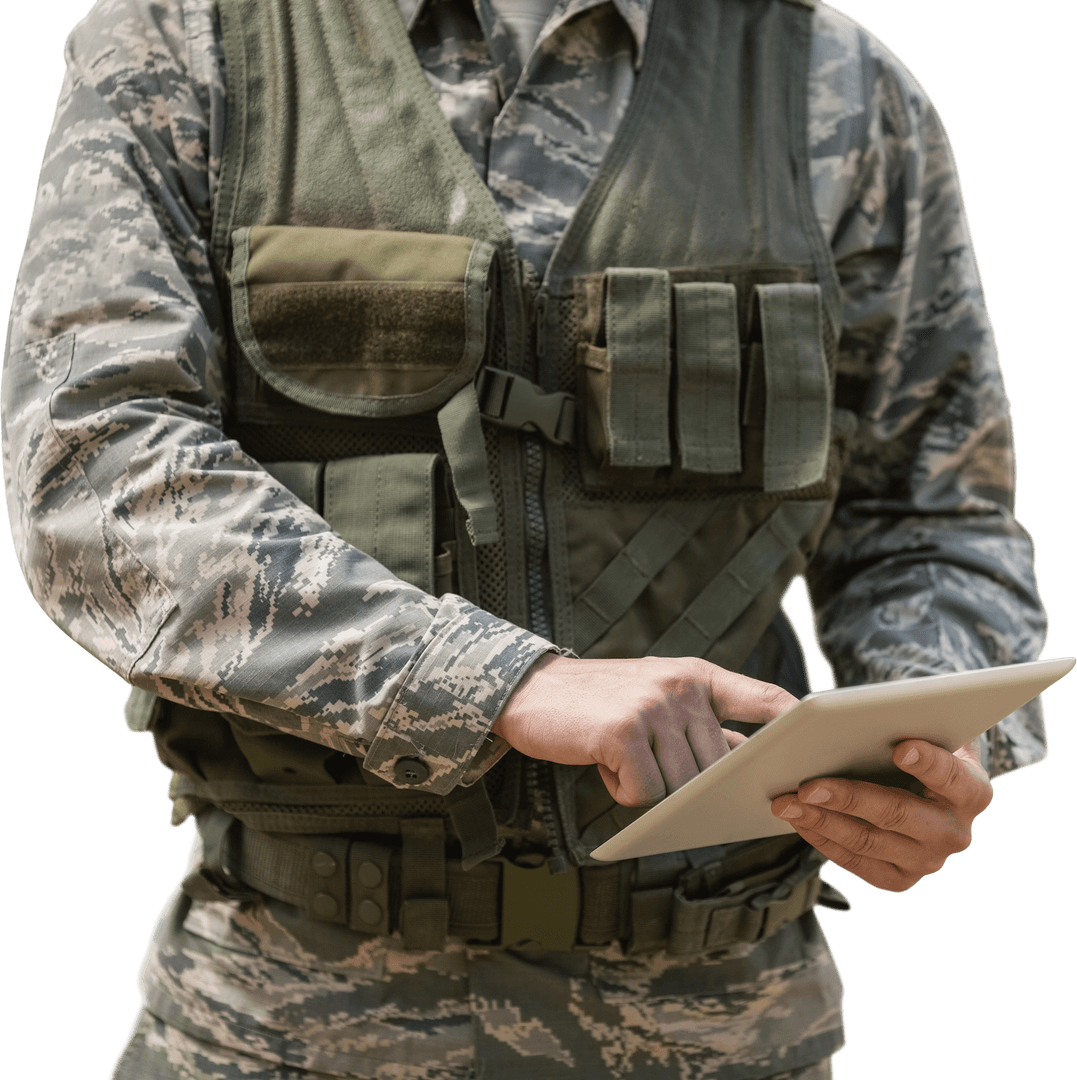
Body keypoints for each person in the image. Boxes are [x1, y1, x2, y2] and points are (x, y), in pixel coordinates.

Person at [0, 1, 1049, 1078]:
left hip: (717, 1025)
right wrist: (498, 683)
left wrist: (923, 747)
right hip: (287, 1019)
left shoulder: (836, 84)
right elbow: (96, 472)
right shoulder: (190, 42)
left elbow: (931, 513)